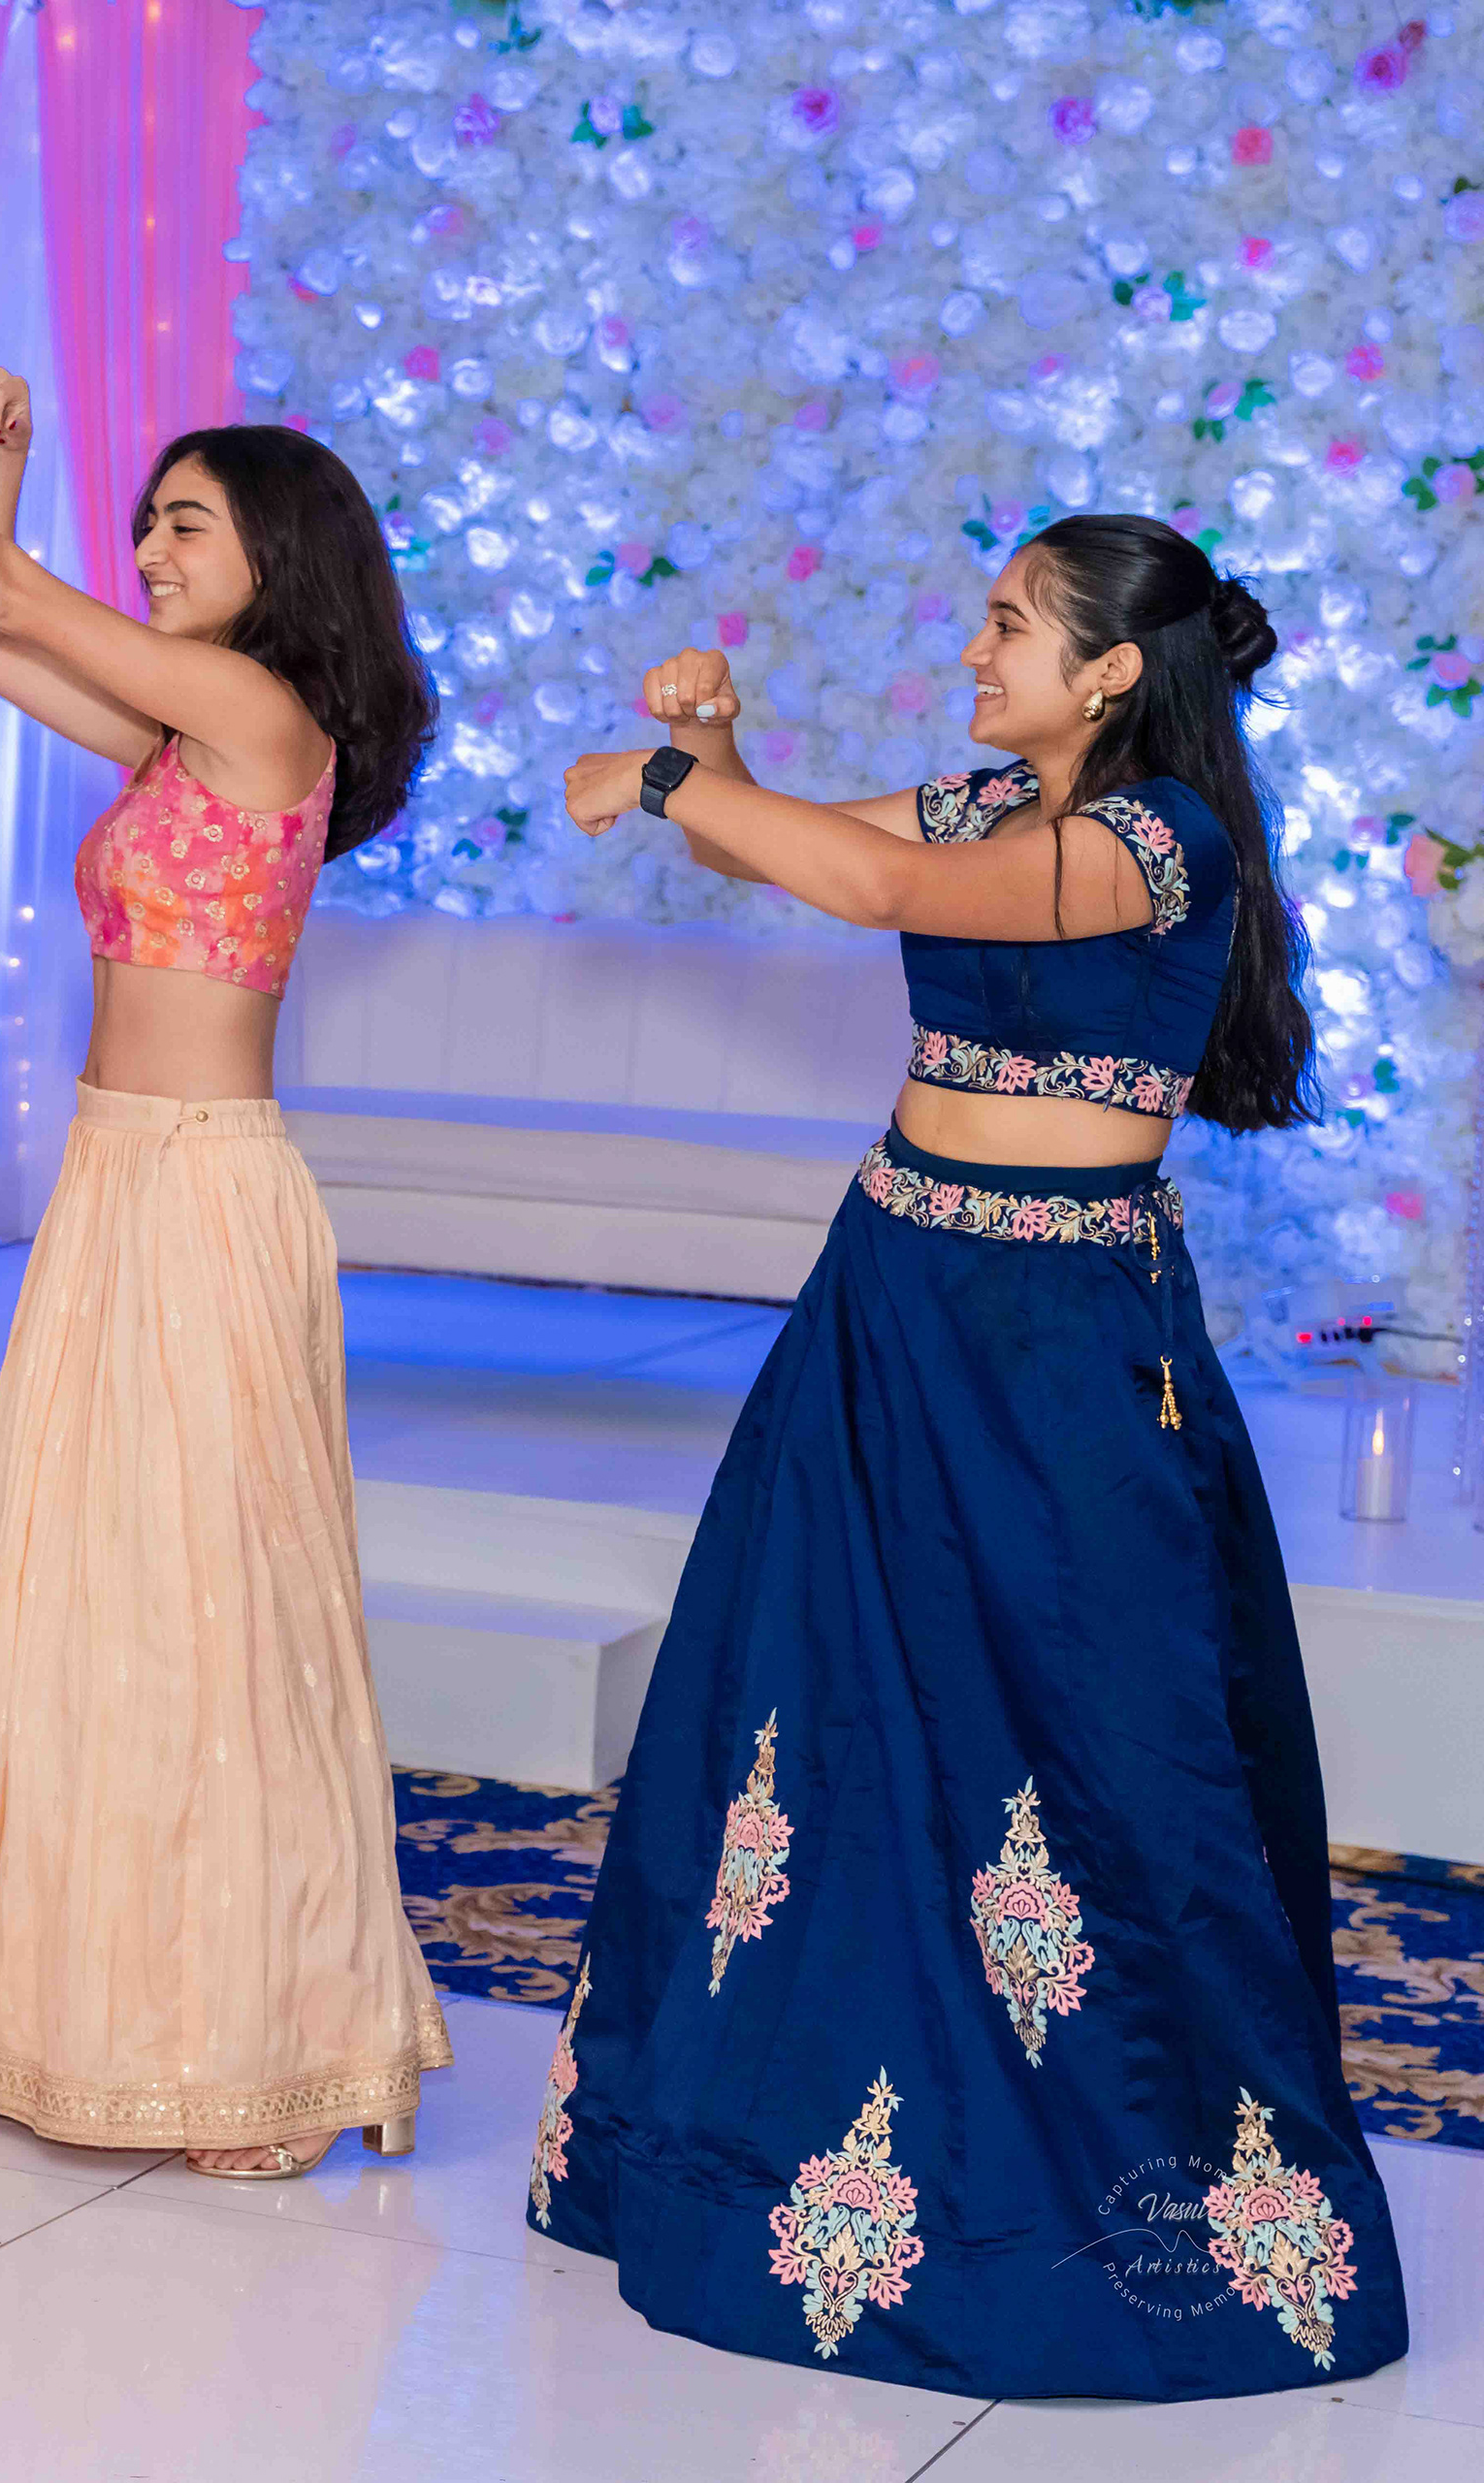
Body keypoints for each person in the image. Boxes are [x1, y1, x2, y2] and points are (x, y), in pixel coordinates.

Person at [537, 516, 1407, 2397]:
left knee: (1093, 1733)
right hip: (894, 1293)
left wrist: (673, 778)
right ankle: (778, 2129)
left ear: (1113, 669)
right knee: (828, 1697)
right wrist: (719, 751)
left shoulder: (1162, 838)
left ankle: (1124, 2194)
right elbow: (794, 847)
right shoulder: (998, 798)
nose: (977, 651)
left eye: (1011, 625)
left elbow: (868, 884)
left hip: (1057, 1333)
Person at [0, 360, 450, 2176]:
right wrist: (2, 459)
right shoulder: (178, 736)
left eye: (186, 522)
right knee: (101, 1590)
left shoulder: (258, 711)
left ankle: (261, 2043)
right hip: (117, 1184)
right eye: (147, 523)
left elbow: (10, 596)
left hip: (203, 1187)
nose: (152, 550)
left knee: (211, 1601)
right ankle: (113, 2024)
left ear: (279, 551)